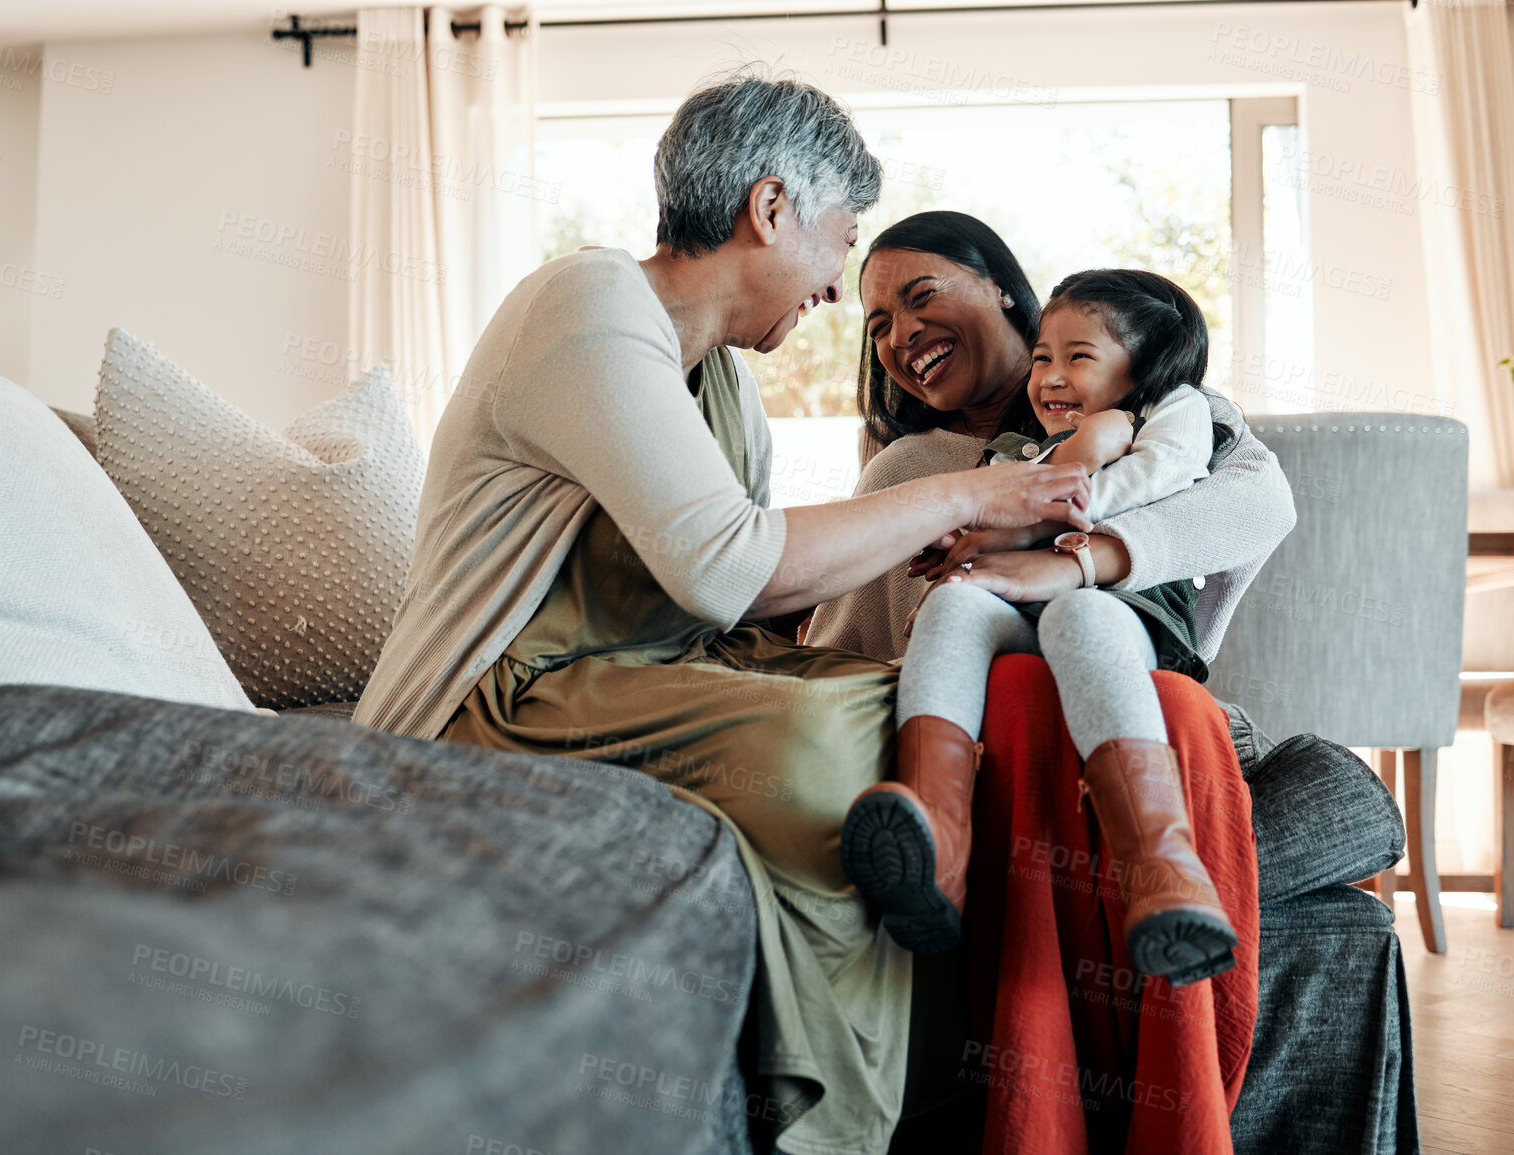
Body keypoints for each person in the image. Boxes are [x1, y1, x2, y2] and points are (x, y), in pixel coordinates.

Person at [353, 75, 1098, 1154]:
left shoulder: (726, 382)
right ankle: (834, 1123)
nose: (841, 296)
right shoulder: (588, 302)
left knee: (918, 709)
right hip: (502, 696)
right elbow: (727, 570)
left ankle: (942, 1100)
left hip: (637, 678)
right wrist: (970, 494)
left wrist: (909, 561)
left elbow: (748, 590)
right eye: (843, 245)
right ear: (771, 209)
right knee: (820, 735)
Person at [839, 267, 1240, 989]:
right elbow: (998, 532)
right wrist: (962, 545)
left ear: (1144, 366)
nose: (1049, 375)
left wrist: (1074, 478)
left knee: (1082, 610)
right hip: (1024, 613)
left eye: (1077, 357)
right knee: (956, 604)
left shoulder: (1168, 411)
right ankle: (937, 842)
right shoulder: (1020, 450)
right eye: (1043, 357)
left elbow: (1165, 471)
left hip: (1124, 607)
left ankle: (1161, 868)